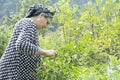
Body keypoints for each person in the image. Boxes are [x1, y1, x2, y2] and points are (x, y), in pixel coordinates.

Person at [0, 4, 57, 80]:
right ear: (41, 15)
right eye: (47, 22)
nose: (46, 27)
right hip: (13, 74)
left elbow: (28, 50)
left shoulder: (28, 24)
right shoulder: (29, 22)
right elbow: (22, 44)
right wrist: (45, 52)